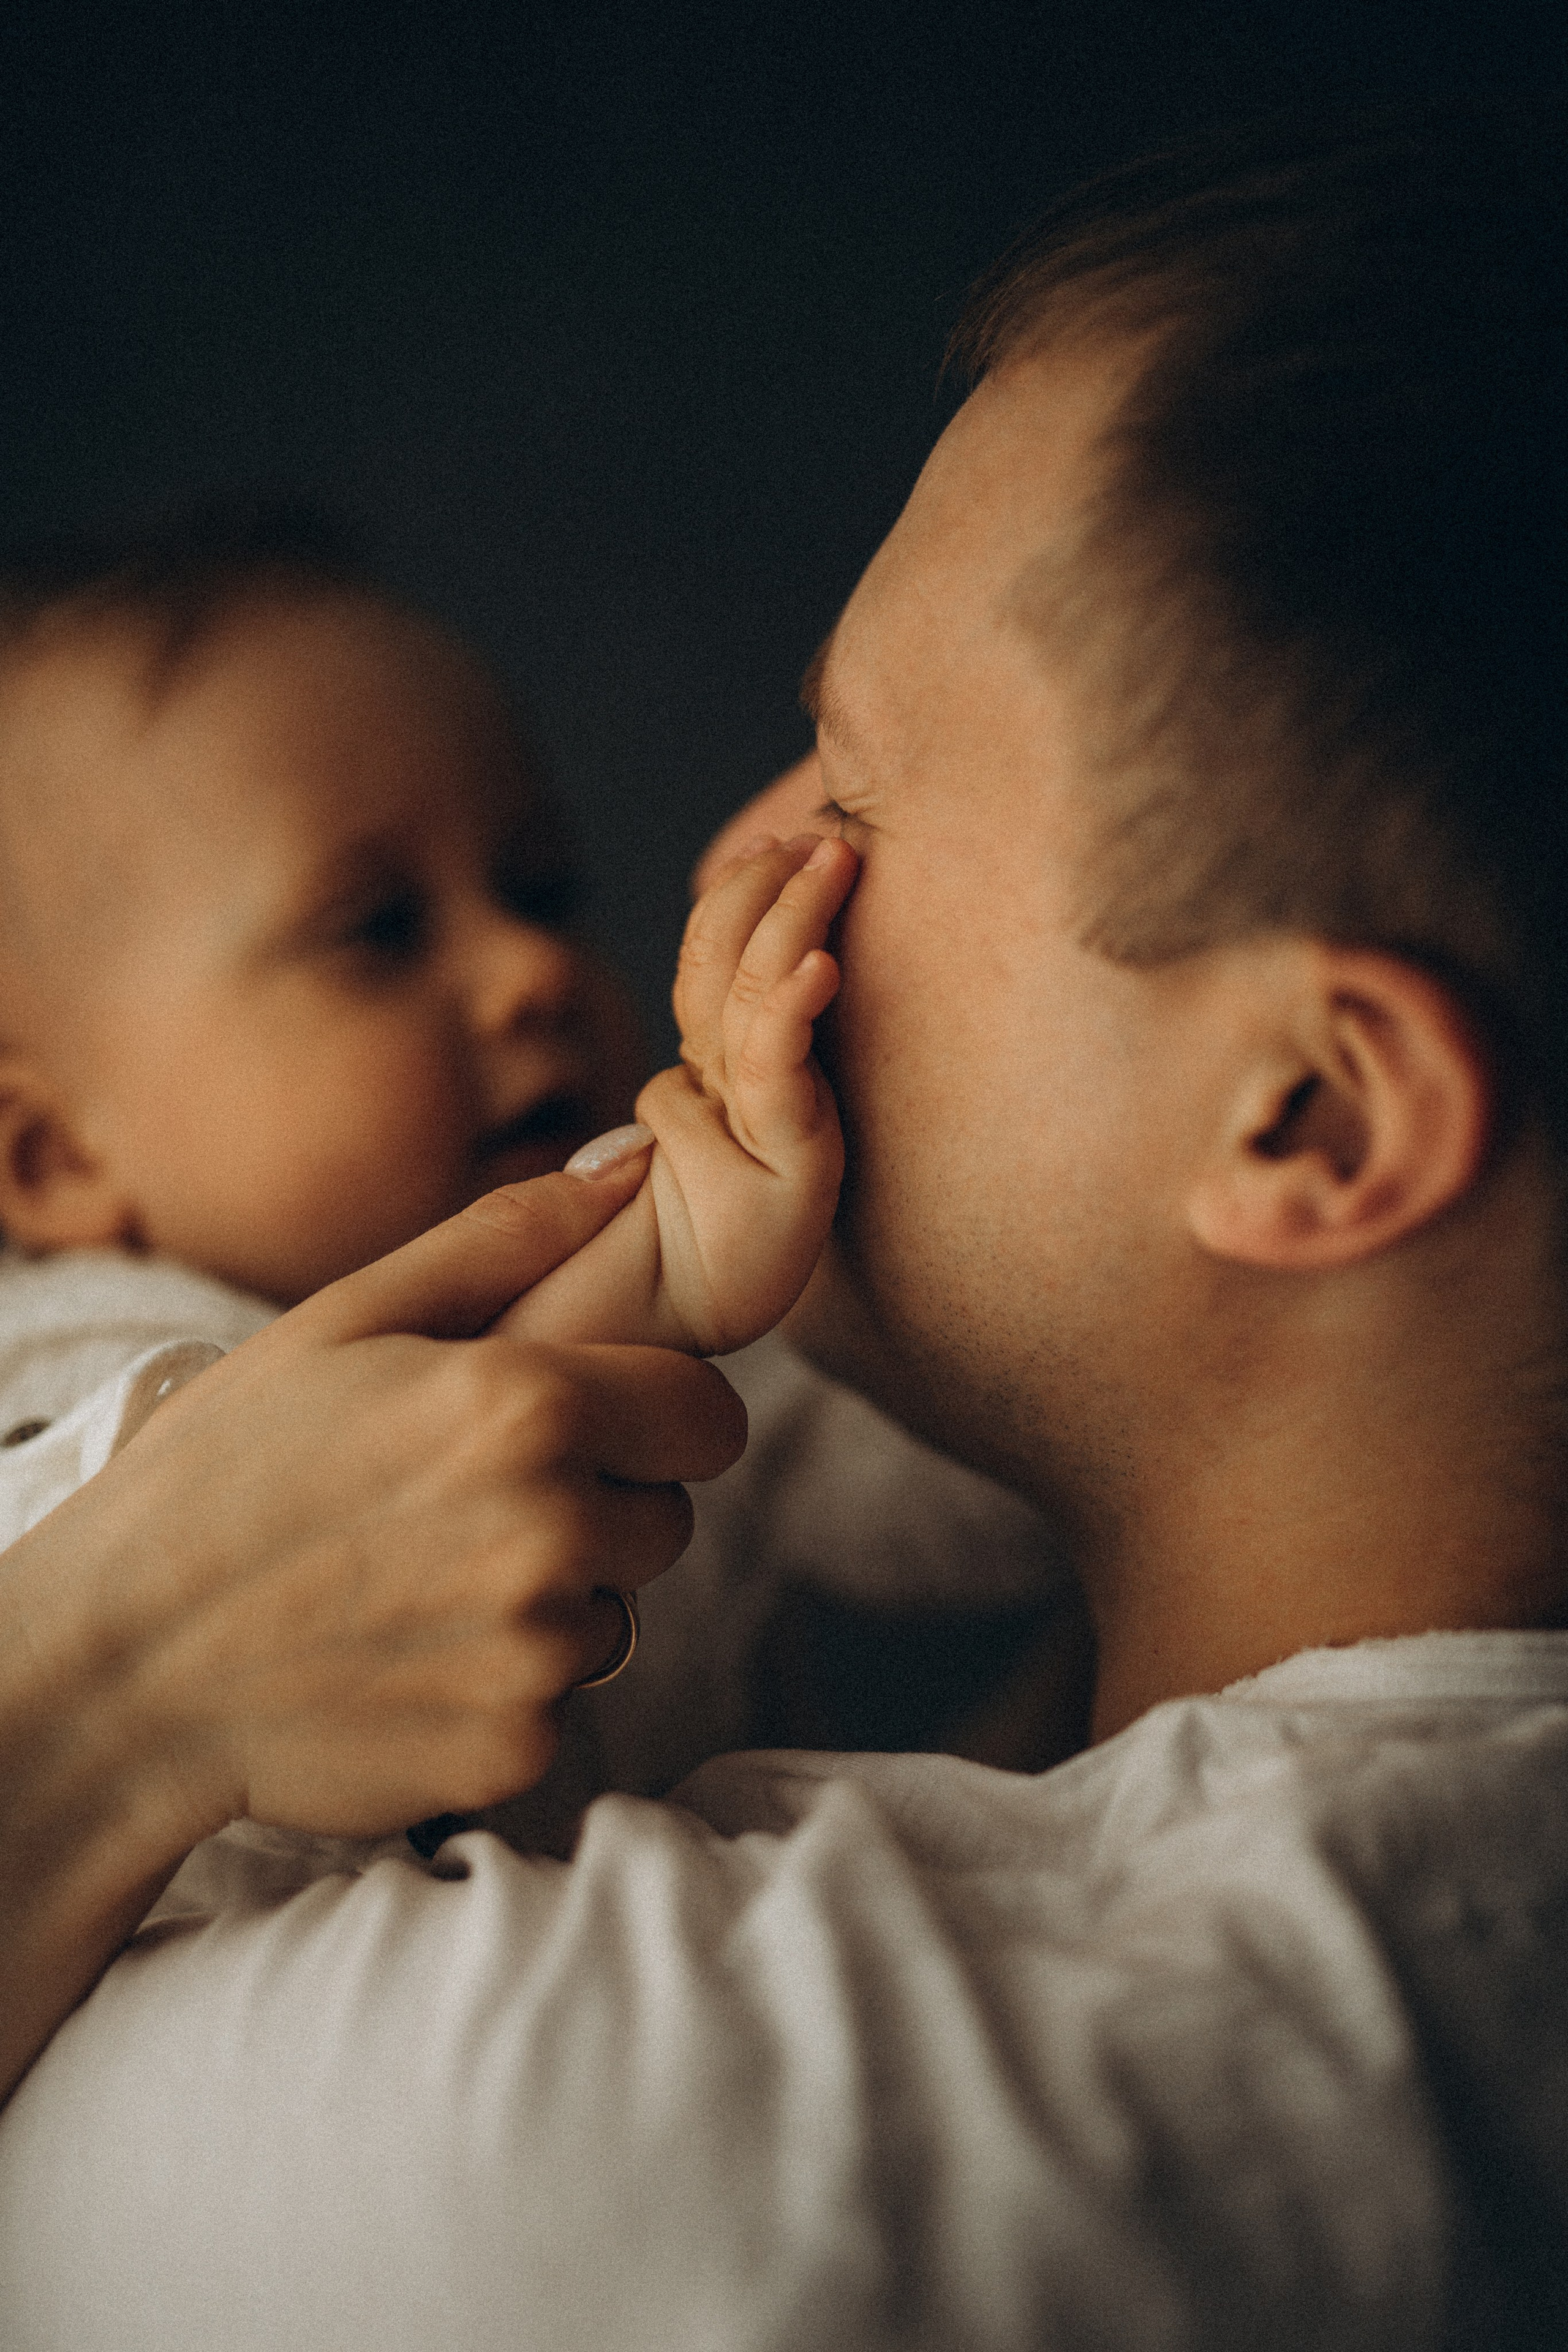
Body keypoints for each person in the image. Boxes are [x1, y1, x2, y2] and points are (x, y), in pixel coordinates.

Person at [5, 97, 1568, 2346]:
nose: (718, 866)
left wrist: (121, 1674)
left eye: (852, 786)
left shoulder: (652, 2131)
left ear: (1311, 1114)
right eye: (370, 925)